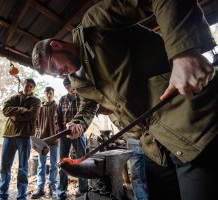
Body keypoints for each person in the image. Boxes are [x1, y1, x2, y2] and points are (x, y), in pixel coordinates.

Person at [31, 1, 218, 200]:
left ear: (56, 45)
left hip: (192, 125)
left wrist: (184, 52)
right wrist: (78, 123)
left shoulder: (94, 24)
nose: (59, 74)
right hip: (154, 146)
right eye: (54, 75)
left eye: (54, 66)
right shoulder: (77, 82)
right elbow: (88, 104)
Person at [0, 78, 41, 200]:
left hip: (25, 136)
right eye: (27, 85)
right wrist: (21, 110)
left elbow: (32, 115)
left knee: (23, 168)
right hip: (9, 135)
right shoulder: (14, 97)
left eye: (31, 86)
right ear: (23, 85)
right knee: (5, 167)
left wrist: (15, 117)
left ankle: (21, 196)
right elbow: (5, 110)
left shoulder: (36, 100)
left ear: (33, 88)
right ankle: (2, 195)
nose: (28, 88)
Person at [55, 77, 88, 200]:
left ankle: (83, 190)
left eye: (70, 85)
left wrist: (80, 129)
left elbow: (86, 116)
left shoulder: (81, 98)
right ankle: (61, 191)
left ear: (74, 84)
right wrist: (60, 131)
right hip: (64, 134)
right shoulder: (62, 99)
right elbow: (57, 116)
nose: (69, 87)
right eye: (66, 86)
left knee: (81, 161)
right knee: (63, 162)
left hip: (78, 134)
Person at [31, 86, 58, 199]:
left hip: (54, 138)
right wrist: (38, 133)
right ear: (45, 94)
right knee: (41, 165)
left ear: (53, 93)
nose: (48, 95)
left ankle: (53, 187)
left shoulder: (57, 106)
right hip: (42, 139)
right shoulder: (41, 107)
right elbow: (36, 121)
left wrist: (57, 131)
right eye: (47, 93)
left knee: (53, 164)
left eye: (50, 93)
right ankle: (40, 188)